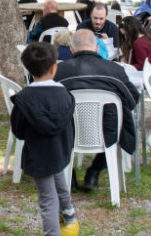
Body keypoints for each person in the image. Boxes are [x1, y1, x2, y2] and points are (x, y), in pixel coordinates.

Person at [11, 43, 77, 236]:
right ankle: (68, 213)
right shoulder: (65, 94)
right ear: (53, 68)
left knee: (48, 201)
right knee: (58, 177)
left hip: (39, 154)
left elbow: (18, 131)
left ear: (28, 69)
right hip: (60, 151)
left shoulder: (24, 98)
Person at [54, 30, 139, 191]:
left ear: (72, 50)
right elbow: (133, 100)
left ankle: (69, 174)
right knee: (119, 125)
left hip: (69, 133)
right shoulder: (115, 71)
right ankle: (94, 171)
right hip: (108, 133)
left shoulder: (58, 71)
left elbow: (47, 103)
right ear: (96, 48)